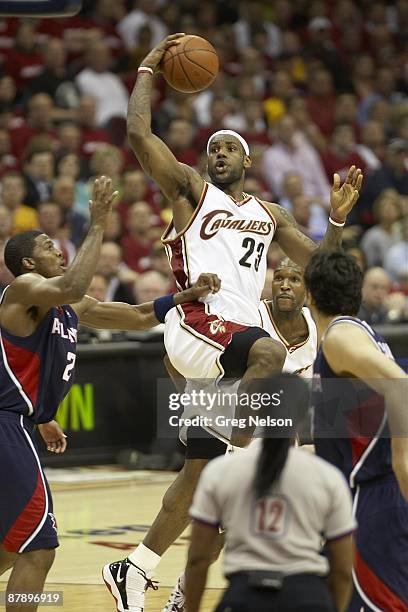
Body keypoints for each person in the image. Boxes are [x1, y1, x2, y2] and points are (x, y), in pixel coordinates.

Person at [103, 33, 363, 612]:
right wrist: (149, 68)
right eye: (212, 146)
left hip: (229, 352)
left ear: (248, 160)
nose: (218, 153)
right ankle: (249, 467)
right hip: (198, 321)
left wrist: (338, 221)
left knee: (196, 474)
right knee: (271, 360)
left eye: (229, 148)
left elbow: (322, 265)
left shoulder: (270, 214)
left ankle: (135, 569)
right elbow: (139, 136)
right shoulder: (190, 192)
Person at [0, 174, 220, 612]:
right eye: (47, 245)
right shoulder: (22, 291)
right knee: (39, 547)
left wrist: (183, 297)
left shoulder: (69, 306)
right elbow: (72, 286)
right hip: (8, 427)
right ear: (27, 264)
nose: (57, 249)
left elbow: (138, 316)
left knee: (13, 544)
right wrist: (97, 223)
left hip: (22, 424)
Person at [185, 374, 356, 612]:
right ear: (305, 414)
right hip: (308, 598)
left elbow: (197, 560)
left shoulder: (220, 471)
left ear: (257, 411)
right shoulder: (326, 476)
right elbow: (342, 571)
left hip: (244, 598)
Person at [305, 250, 408, 611]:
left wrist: (401, 462)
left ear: (309, 296)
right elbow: (350, 435)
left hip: (375, 501)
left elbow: (401, 384)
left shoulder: (339, 339)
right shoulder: (355, 336)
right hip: (356, 502)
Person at [258, 258, 317, 378]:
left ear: (308, 290)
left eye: (294, 279)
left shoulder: (315, 322)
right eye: (278, 278)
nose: (284, 286)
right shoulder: (254, 314)